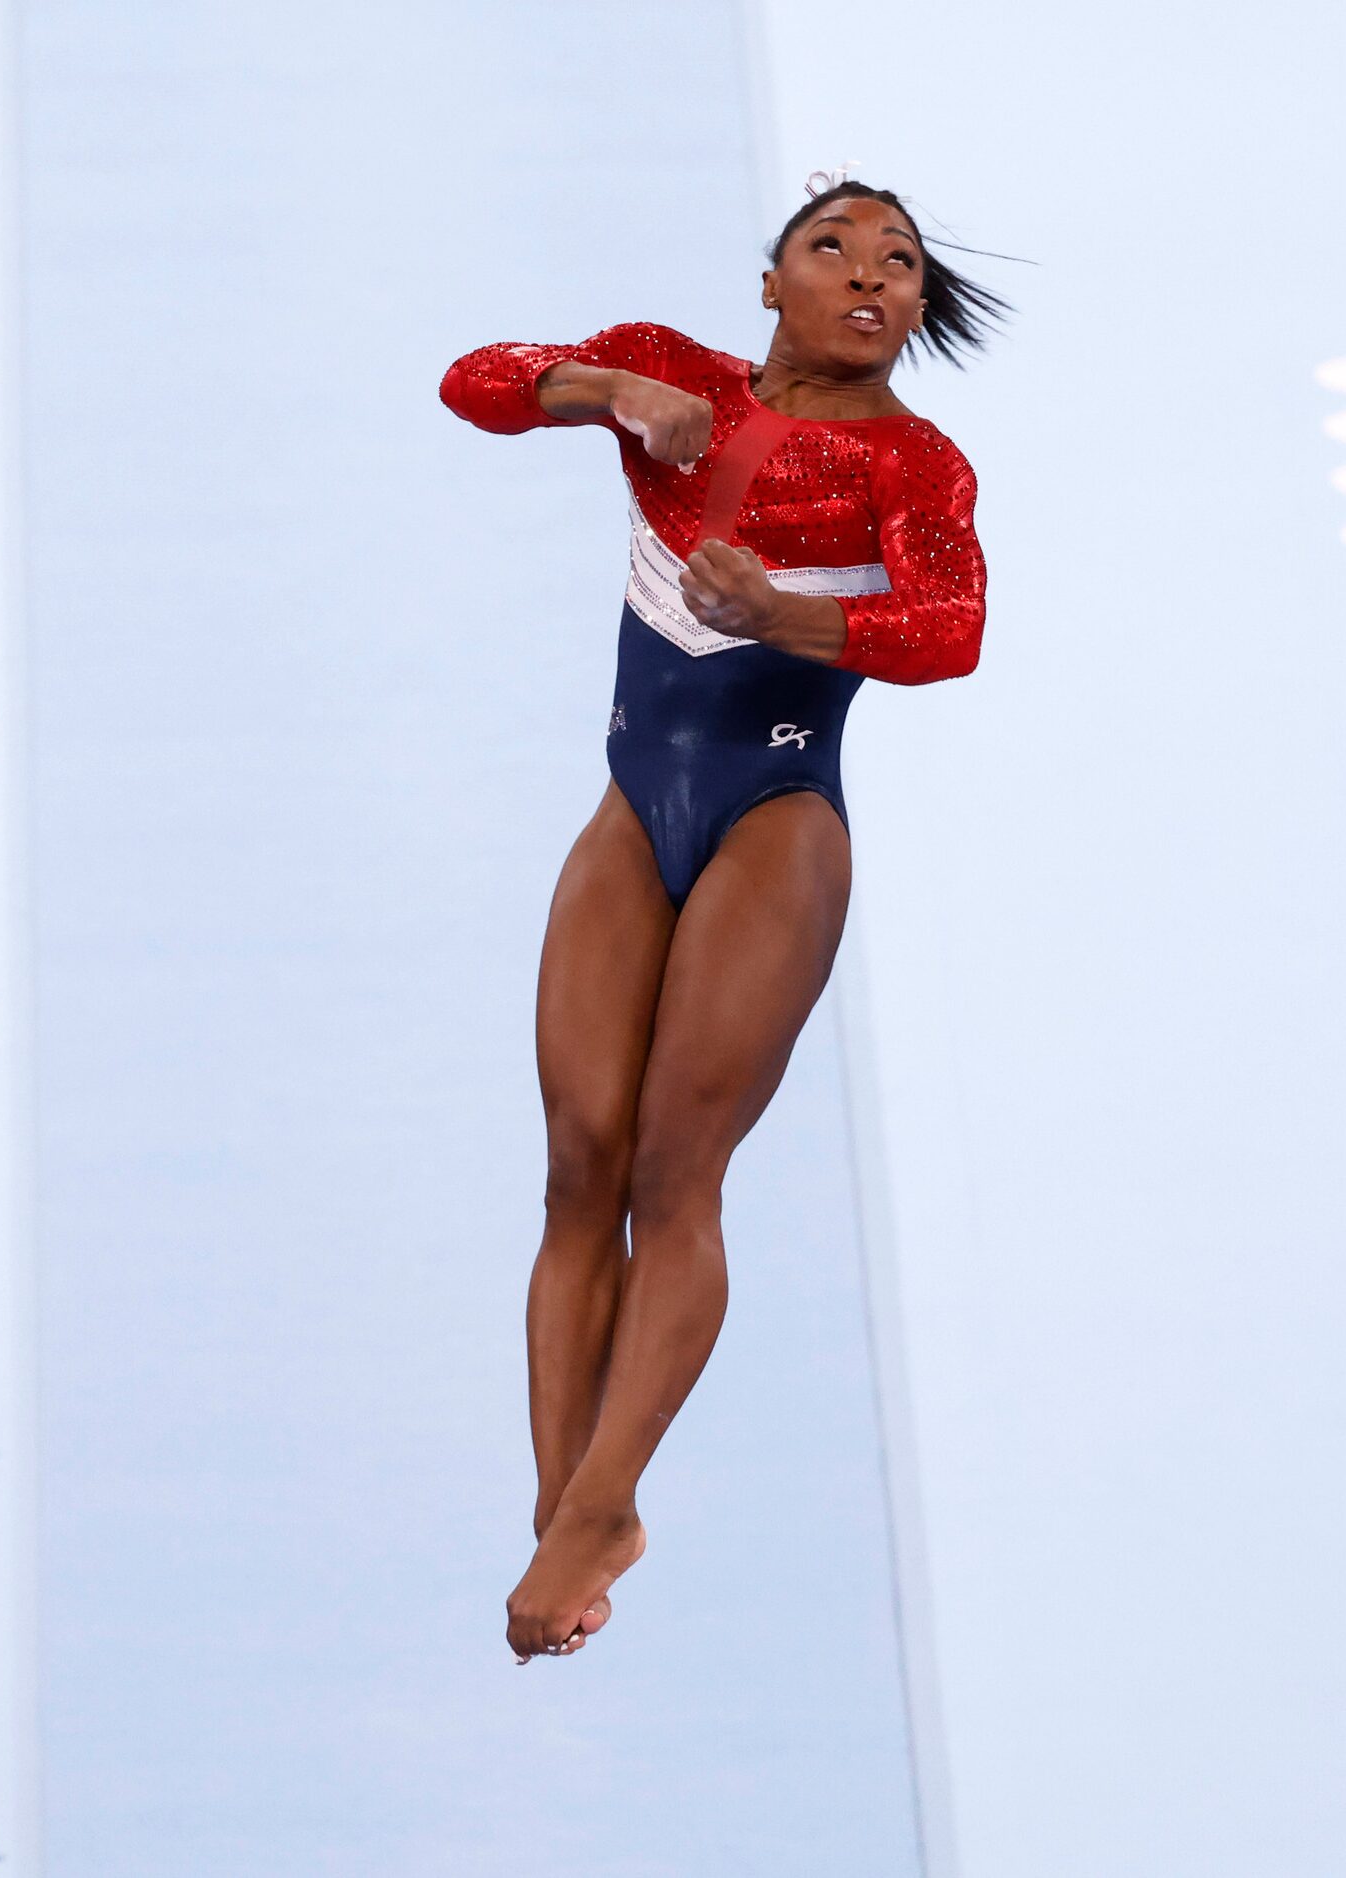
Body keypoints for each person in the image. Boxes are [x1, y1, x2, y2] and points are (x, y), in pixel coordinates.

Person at [439, 178, 1005, 1663]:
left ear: (917, 312)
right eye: (833, 247)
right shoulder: (670, 378)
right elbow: (474, 385)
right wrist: (609, 389)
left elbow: (948, 631)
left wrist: (785, 620)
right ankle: (573, 1506)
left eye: (900, 264)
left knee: (672, 1173)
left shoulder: (911, 465)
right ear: (769, 284)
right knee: (578, 1164)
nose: (868, 274)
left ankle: (602, 1500)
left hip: (773, 819)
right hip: (633, 808)